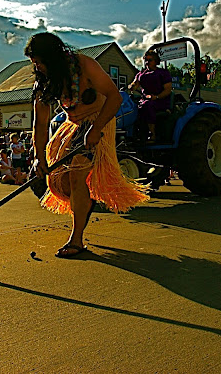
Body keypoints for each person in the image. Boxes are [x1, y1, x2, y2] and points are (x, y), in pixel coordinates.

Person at [25, 32, 149, 258]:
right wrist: (38, 158)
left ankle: (77, 239)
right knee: (59, 180)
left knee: (76, 175)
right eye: (35, 63)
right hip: (72, 125)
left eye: (40, 62)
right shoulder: (42, 83)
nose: (37, 67)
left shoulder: (84, 66)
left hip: (97, 120)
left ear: (53, 58)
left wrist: (96, 128)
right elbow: (40, 124)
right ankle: (84, 200)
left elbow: (115, 97)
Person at [127, 49, 172, 141]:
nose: (147, 62)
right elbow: (134, 84)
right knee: (131, 106)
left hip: (160, 101)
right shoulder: (141, 74)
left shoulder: (163, 73)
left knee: (147, 105)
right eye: (146, 60)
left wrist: (156, 97)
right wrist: (131, 86)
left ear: (156, 61)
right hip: (145, 100)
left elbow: (168, 90)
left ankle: (152, 134)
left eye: (150, 60)